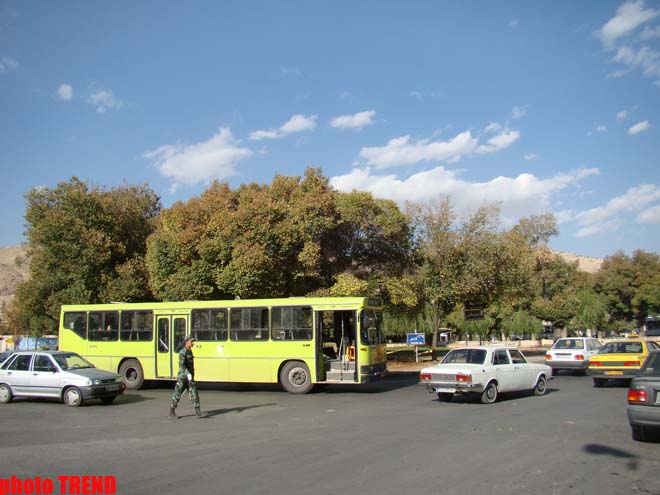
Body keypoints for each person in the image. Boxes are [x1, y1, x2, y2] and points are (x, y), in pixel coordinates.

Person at [169, 336, 204, 418]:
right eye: (191, 341)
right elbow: (182, 365)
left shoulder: (190, 351)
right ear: (187, 341)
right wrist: (188, 373)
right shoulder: (183, 352)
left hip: (189, 378)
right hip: (182, 377)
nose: (193, 343)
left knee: (194, 393)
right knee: (177, 394)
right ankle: (172, 411)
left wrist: (191, 375)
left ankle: (198, 411)